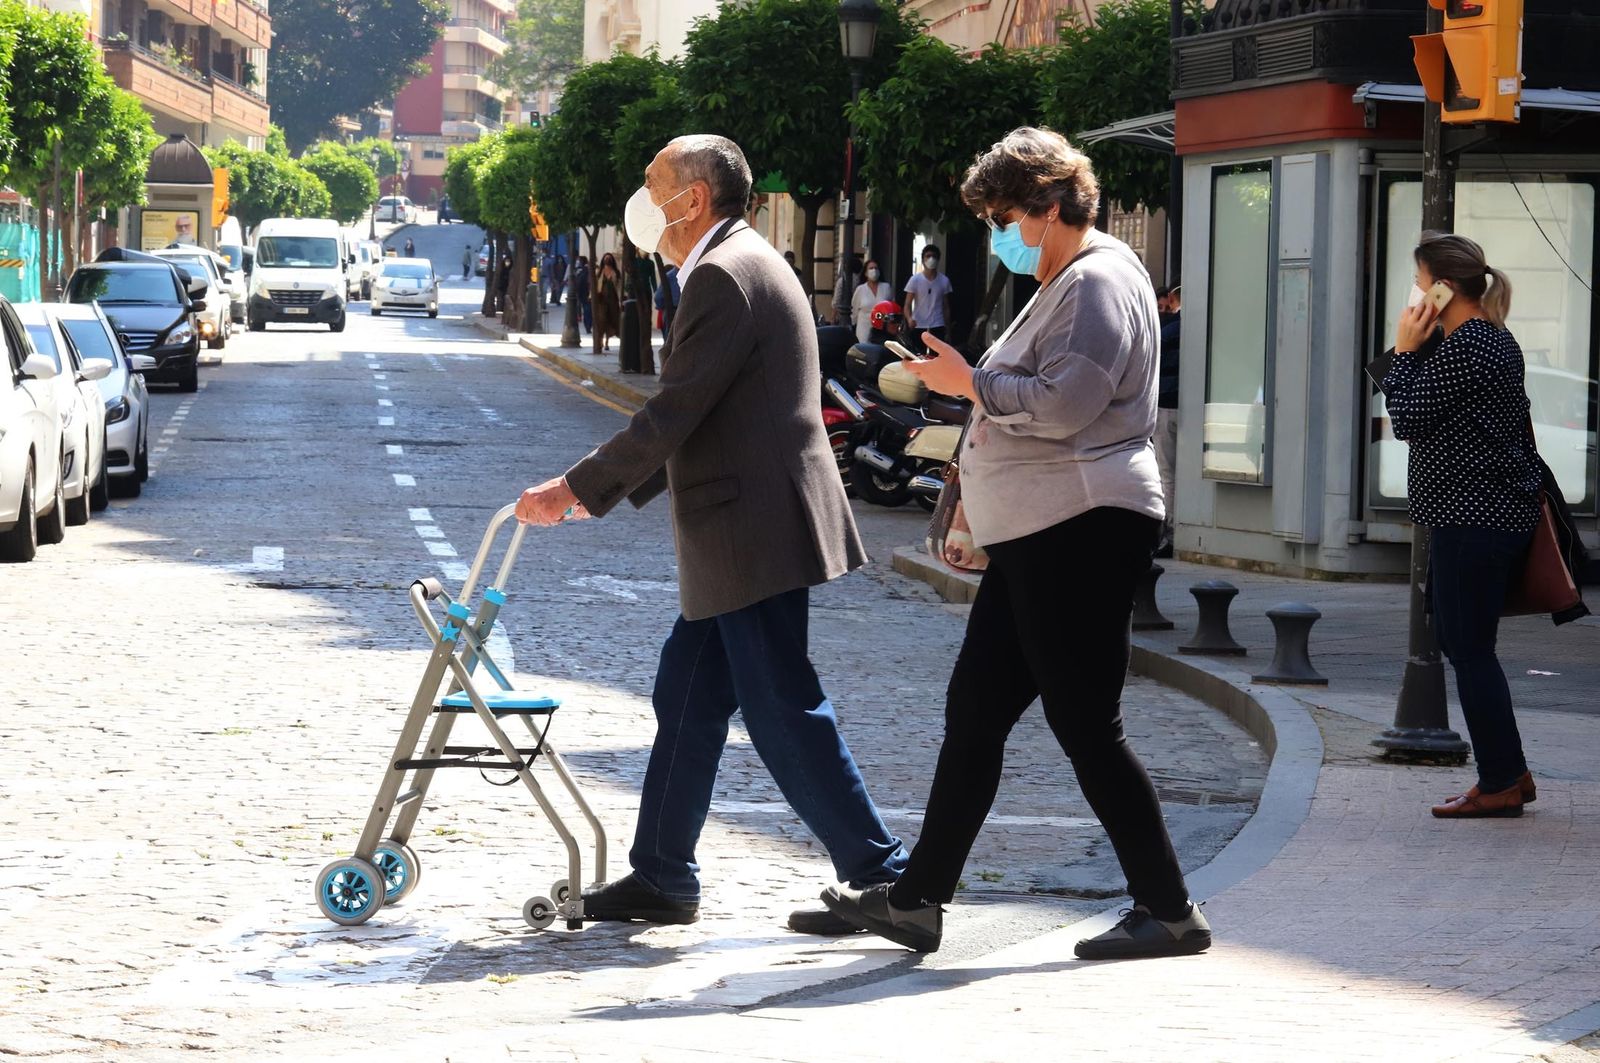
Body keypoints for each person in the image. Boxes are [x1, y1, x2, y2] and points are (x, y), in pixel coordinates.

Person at [821, 127, 1210, 961]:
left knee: (1085, 722)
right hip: (1043, 529)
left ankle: (1171, 909)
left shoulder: (1097, 279)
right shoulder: (1066, 280)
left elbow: (1066, 403)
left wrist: (969, 382)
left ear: (1049, 204)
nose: (999, 233)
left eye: (1003, 218)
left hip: (1081, 524)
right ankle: (918, 899)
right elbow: (1033, 399)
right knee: (976, 711)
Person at [514, 133, 907, 933]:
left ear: (692, 199)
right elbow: (714, 413)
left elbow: (675, 411)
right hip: (747, 521)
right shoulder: (743, 261)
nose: (642, 198)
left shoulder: (725, 274)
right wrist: (599, 493)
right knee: (687, 694)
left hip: (749, 527)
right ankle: (663, 873)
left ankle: (886, 876)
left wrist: (575, 488)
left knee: (781, 706)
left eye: (653, 182)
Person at [1380, 232, 1542, 819]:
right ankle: (1510, 771)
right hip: (1478, 516)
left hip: (1472, 519)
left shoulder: (1470, 345)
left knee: (1470, 650)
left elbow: (1407, 418)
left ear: (1444, 288)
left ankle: (1500, 780)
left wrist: (1404, 351)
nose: (1416, 291)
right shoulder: (1482, 339)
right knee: (1466, 645)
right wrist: (1417, 349)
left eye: (1421, 281)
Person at [1154, 283, 1182, 557]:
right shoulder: (1208, 325)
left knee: (1167, 474)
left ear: (1172, 298)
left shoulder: (1168, 330)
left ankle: (1171, 535)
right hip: (1196, 408)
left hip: (1166, 406)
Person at [902, 244, 953, 353]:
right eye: (928, 256)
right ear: (923, 259)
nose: (931, 259)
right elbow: (907, 304)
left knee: (936, 355)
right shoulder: (915, 280)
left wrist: (948, 329)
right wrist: (909, 319)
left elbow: (946, 306)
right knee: (918, 355)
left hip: (937, 324)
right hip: (918, 324)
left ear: (938, 259)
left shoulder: (944, 281)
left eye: (934, 256)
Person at [850, 260, 894, 344]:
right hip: (863, 328)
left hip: (881, 329)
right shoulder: (860, 289)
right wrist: (853, 324)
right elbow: (854, 310)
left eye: (876, 268)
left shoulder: (886, 288)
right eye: (871, 268)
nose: (874, 270)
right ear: (866, 273)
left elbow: (890, 308)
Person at [593, 252, 622, 353]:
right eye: (606, 258)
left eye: (609, 258)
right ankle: (600, 341)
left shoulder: (616, 272)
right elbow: (595, 285)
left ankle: (607, 342)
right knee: (602, 320)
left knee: (612, 320)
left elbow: (619, 286)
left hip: (613, 300)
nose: (607, 260)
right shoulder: (599, 272)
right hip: (602, 300)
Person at [653, 262, 681, 344]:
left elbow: (658, 297)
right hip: (683, 310)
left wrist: (661, 307)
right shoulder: (689, 275)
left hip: (669, 310)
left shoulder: (669, 276)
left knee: (668, 340)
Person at [573, 255, 593, 334]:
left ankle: (588, 326)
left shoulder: (584, 271)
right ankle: (588, 326)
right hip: (585, 295)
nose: (578, 262)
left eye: (579, 261)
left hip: (586, 295)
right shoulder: (581, 271)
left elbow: (580, 283)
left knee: (587, 311)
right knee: (587, 311)